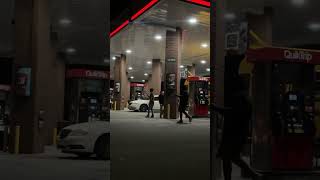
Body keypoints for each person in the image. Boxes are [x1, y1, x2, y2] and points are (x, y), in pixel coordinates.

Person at [214, 79, 262, 180]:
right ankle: (253, 175)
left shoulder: (239, 100)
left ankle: (253, 174)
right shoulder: (246, 101)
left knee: (230, 157)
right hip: (238, 133)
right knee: (230, 157)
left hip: (233, 133)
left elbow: (231, 113)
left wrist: (216, 108)